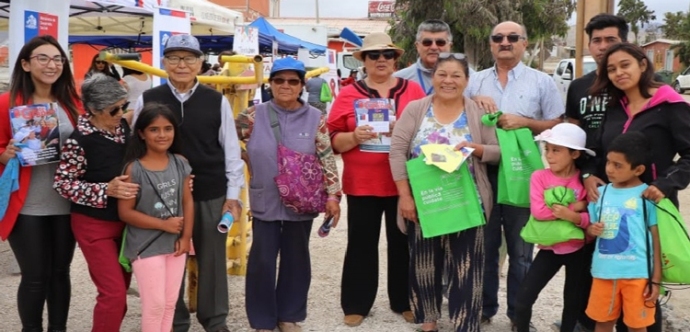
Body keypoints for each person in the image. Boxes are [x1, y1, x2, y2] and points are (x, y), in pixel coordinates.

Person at [132, 34, 245, 332]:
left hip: (209, 190)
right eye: (174, 58)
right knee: (169, 256)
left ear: (200, 63)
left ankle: (215, 319)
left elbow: (231, 151)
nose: (181, 64)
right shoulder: (148, 98)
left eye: (189, 58)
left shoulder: (215, 100)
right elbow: (135, 145)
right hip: (162, 194)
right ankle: (175, 319)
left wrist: (233, 195)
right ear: (164, 62)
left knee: (212, 259)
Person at [582, 42, 690, 332]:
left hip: (652, 204)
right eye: (612, 69)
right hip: (610, 207)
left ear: (643, 64)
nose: (619, 73)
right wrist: (589, 175)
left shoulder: (671, 105)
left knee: (644, 296)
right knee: (607, 297)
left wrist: (666, 184)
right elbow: (597, 151)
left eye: (625, 65)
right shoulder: (614, 109)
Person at [464, 21, 564, 331]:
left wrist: (523, 122)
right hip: (485, 171)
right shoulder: (475, 82)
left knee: (522, 252)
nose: (504, 42)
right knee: (486, 247)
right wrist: (474, 106)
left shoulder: (541, 82)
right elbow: (460, 120)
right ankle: (484, 307)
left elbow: (557, 124)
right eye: (498, 38)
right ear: (491, 44)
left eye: (512, 37)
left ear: (524, 43)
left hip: (524, 174)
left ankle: (519, 315)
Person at [389, 53, 499, 332]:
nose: (448, 81)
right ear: (433, 77)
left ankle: (465, 324)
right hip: (425, 203)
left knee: (468, 267)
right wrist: (405, 196)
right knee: (424, 263)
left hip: (467, 202)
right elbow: (398, 151)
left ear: (466, 80)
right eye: (442, 74)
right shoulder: (416, 109)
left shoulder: (478, 112)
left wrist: (476, 148)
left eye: (456, 75)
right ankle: (428, 322)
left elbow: (498, 152)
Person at [327, 32, 426, 327]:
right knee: (361, 242)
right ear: (364, 61)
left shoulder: (414, 91)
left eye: (387, 55)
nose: (381, 60)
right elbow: (332, 140)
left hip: (404, 182)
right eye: (374, 55)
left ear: (396, 60)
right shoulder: (348, 93)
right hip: (363, 181)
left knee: (404, 242)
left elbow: (428, 132)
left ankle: (404, 300)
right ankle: (357, 302)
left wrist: (406, 133)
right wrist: (354, 136)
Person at [236, 57, 342, 332]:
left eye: (292, 81)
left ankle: (289, 316)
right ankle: (262, 320)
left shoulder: (315, 118)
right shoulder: (252, 115)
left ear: (301, 86)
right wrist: (245, 156)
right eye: (279, 80)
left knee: (296, 258)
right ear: (270, 84)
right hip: (265, 197)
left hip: (302, 200)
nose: (285, 86)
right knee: (261, 260)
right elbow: (226, 141)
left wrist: (333, 196)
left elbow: (326, 157)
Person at [0, 35, 82, 332]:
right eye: (43, 58)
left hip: (66, 202)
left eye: (58, 59)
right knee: (34, 275)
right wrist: (4, 154)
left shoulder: (74, 102)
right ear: (25, 63)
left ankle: (58, 329)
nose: (52, 64)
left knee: (60, 272)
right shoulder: (8, 103)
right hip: (27, 204)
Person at [53, 74, 139, 332]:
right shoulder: (78, 142)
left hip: (125, 223)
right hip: (94, 226)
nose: (121, 113)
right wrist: (106, 189)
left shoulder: (122, 129)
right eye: (114, 109)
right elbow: (63, 183)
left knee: (120, 293)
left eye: (123, 106)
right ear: (92, 109)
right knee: (113, 293)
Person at [118, 103, 194, 332]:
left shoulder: (180, 162)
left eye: (168, 128)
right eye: (154, 129)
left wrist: (186, 236)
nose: (162, 135)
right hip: (145, 245)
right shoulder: (134, 169)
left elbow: (187, 201)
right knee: (155, 305)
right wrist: (163, 224)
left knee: (170, 303)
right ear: (141, 133)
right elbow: (125, 212)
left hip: (175, 243)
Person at [513, 123, 594, 332]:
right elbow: (538, 212)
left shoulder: (585, 181)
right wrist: (576, 208)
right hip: (550, 249)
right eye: (547, 149)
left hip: (579, 249)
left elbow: (592, 217)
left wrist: (573, 216)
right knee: (523, 300)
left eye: (556, 150)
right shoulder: (539, 176)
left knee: (572, 303)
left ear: (575, 154)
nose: (549, 155)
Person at [585, 132, 661, 332]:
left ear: (638, 169)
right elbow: (591, 230)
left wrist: (655, 280)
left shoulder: (648, 196)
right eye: (609, 162)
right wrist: (591, 229)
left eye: (618, 165)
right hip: (603, 273)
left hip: (637, 275)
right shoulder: (599, 193)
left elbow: (656, 239)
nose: (609, 169)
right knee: (602, 323)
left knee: (637, 326)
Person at [395, 19, 454, 95]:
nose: (434, 47)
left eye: (440, 42)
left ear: (450, 46)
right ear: (417, 46)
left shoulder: (470, 78)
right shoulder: (399, 79)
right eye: (427, 42)